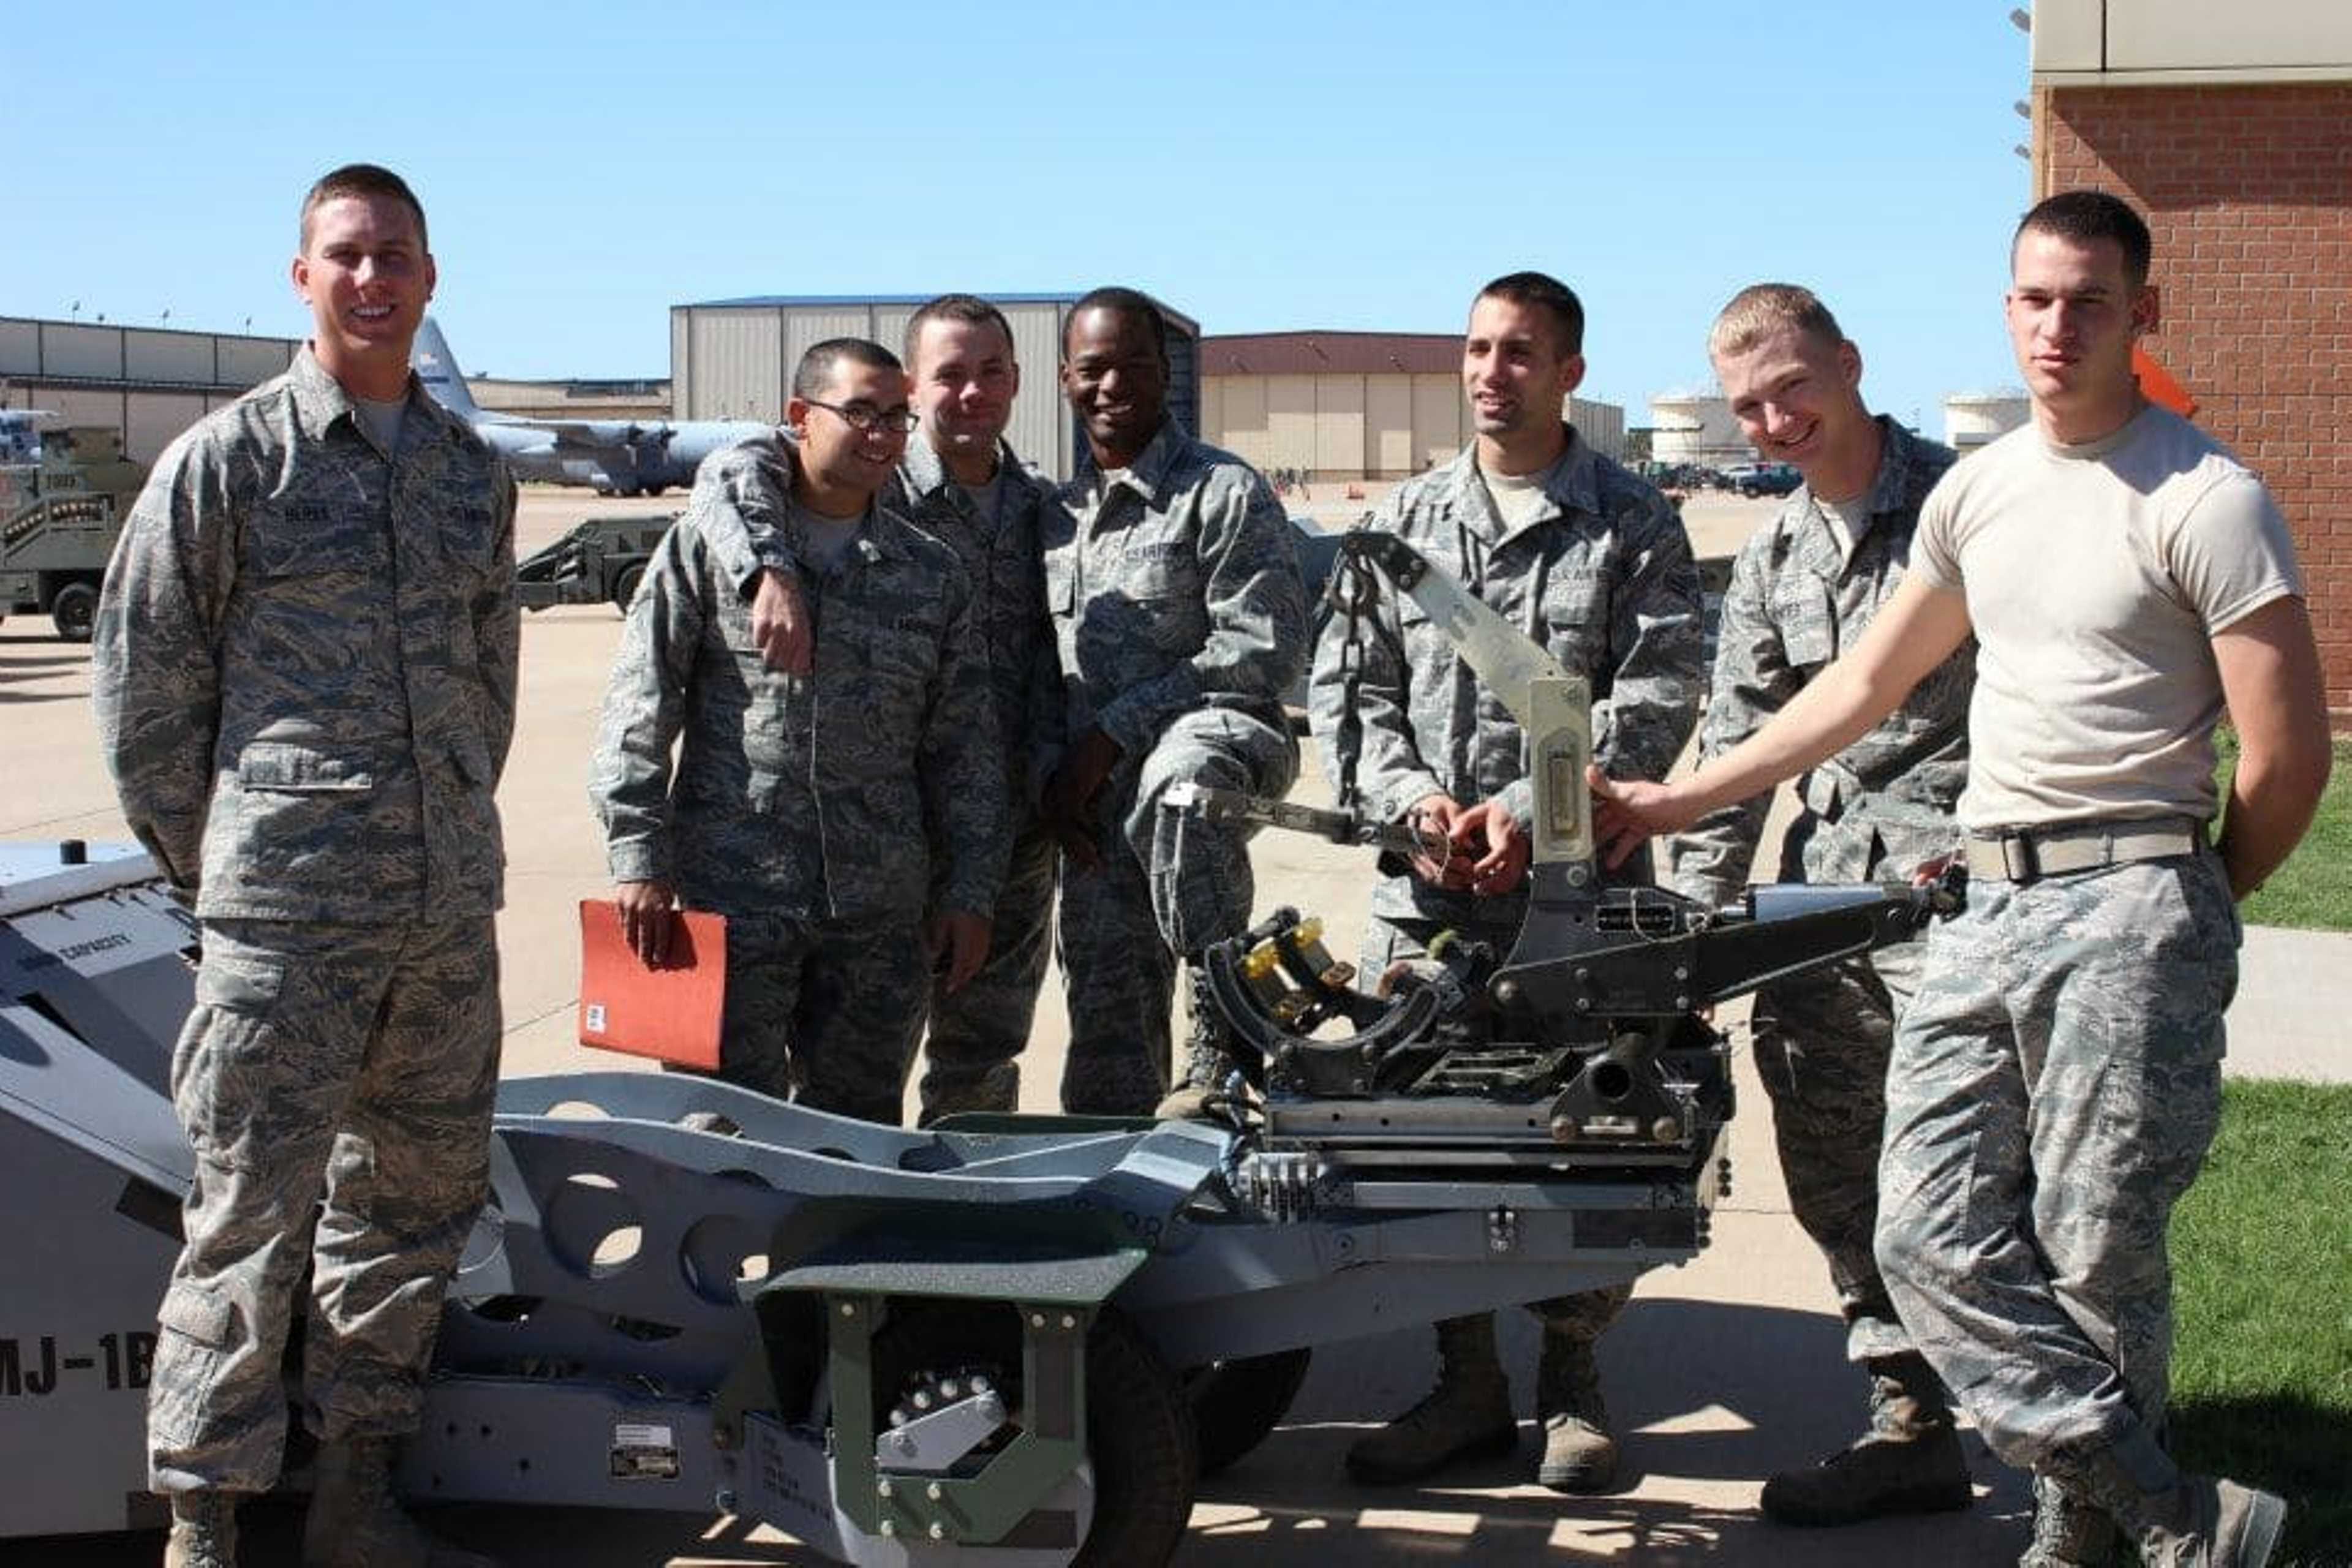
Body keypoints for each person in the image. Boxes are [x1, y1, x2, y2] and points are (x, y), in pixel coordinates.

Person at [1593, 192, 2329, 1568]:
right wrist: (1677, 796)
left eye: (2091, 300)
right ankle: (2172, 1511)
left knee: (2093, 1245)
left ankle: (2081, 1530)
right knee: (1924, 1234)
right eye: (2037, 299)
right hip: (1990, 899)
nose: (2060, 326)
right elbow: (1862, 684)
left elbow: (2286, 751)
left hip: (2129, 891)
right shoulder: (1984, 495)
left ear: (2140, 314)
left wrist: (2201, 894)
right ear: (2008, 310)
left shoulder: (2207, 496)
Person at [94, 164, 512, 1568]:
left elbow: (487, 679)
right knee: (247, 1215)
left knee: (413, 1204)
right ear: (302, 277)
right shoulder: (231, 461)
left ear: (431, 276)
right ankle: (203, 1523)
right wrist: (228, 861)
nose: (372, 276)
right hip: (284, 919)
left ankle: (357, 1491)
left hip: (441, 917)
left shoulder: (469, 477)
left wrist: (445, 820)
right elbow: (145, 688)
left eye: (395, 253)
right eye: (345, 254)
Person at [1306, 271, 1704, 1494]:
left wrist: (1532, 813)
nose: (1493, 371)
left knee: (1587, 1135)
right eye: (1478, 349)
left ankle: (1572, 1384)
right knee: (1429, 1140)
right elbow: (1350, 690)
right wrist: (1413, 805)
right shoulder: (1403, 524)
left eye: (1520, 351)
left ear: (1569, 370)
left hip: (1572, 903)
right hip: (1428, 900)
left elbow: (1660, 693)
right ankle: (1464, 1376)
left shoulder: (1631, 521)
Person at [1664, 284, 1977, 1528]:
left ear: (1849, 362)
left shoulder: (1967, 506)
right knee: (1835, 1166)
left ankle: (2085, 1439)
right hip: (1830, 910)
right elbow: (1740, 745)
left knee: (1976, 1183)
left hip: (1967, 902)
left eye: (1792, 385)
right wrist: (1694, 933)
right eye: (1747, 405)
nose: (1774, 418)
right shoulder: (1777, 554)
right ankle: (1909, 1419)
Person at [589, 338, 1004, 1126]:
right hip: (734, 897)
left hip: (877, 913)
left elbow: (964, 747)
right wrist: (637, 856)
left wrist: (969, 889)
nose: (882, 435)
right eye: (859, 414)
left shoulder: (932, 573)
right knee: (715, 1130)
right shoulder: (711, 552)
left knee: (856, 1135)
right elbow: (641, 705)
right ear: (799, 418)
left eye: (895, 416)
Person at [714, 295, 1062, 1123]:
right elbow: (729, 471)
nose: (971, 393)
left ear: (1018, 381)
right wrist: (771, 568)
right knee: (849, 1071)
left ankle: (958, 1220)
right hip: (872, 844)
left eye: (991, 373)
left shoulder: (1050, 511)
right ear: (915, 386)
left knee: (981, 1056)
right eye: (949, 376)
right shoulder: (863, 479)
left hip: (1005, 836)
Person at [1041, 286, 1308, 1116]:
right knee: (1107, 1038)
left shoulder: (1222, 493)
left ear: (1166, 376)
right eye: (1093, 369)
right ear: (1065, 380)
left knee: (1183, 782)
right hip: (1100, 811)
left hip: (1219, 755)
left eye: (1134, 367)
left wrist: (1114, 734)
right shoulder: (1052, 516)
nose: (1112, 386)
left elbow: (1260, 650)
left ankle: (1224, 1025)